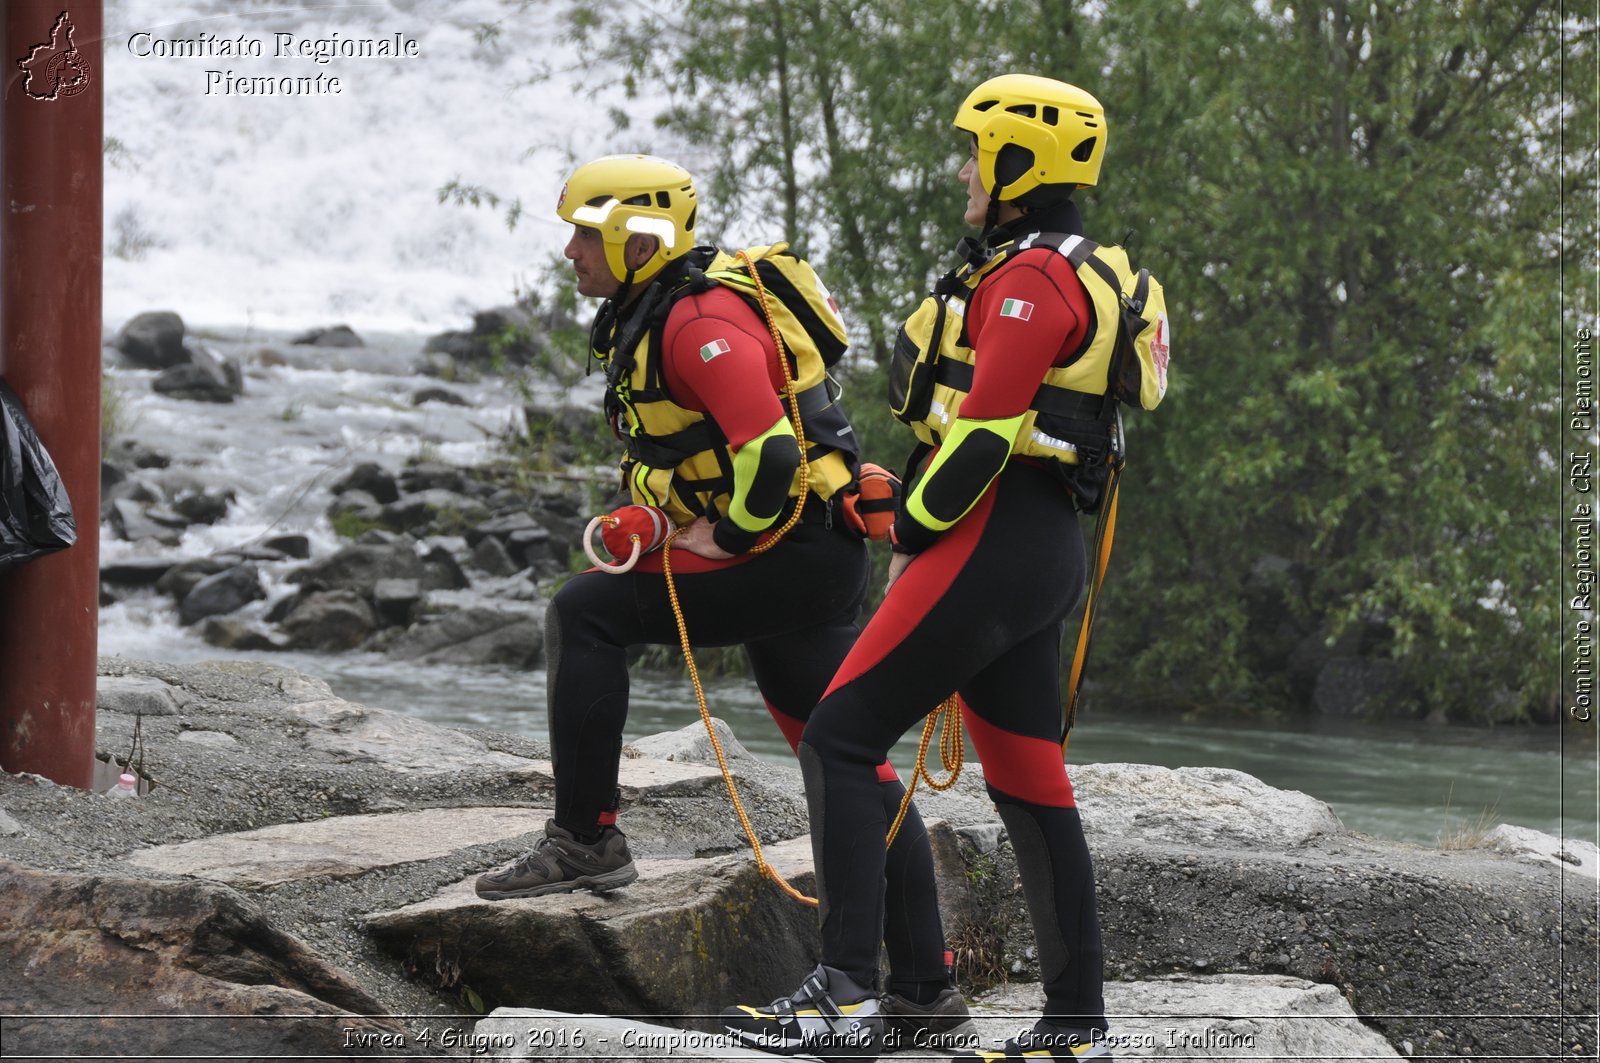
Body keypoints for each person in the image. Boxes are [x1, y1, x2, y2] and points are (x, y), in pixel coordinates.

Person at [474, 154, 974, 1047]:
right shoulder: (660, 308)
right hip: (811, 557)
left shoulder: (699, 318)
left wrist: (726, 538)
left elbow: (774, 460)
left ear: (640, 237)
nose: (570, 252)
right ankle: (927, 992)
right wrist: (670, 519)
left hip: (793, 558)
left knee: (584, 612)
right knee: (845, 760)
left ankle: (587, 841)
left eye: (585, 233)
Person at [722, 75, 1120, 1061]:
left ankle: (848, 997)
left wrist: (905, 522)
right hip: (1030, 546)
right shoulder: (1041, 262)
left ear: (1022, 165)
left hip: (992, 537)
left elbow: (981, 439)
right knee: (1030, 781)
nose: (964, 171)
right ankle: (1074, 1027)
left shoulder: (1032, 279)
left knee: (840, 736)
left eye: (977, 154)